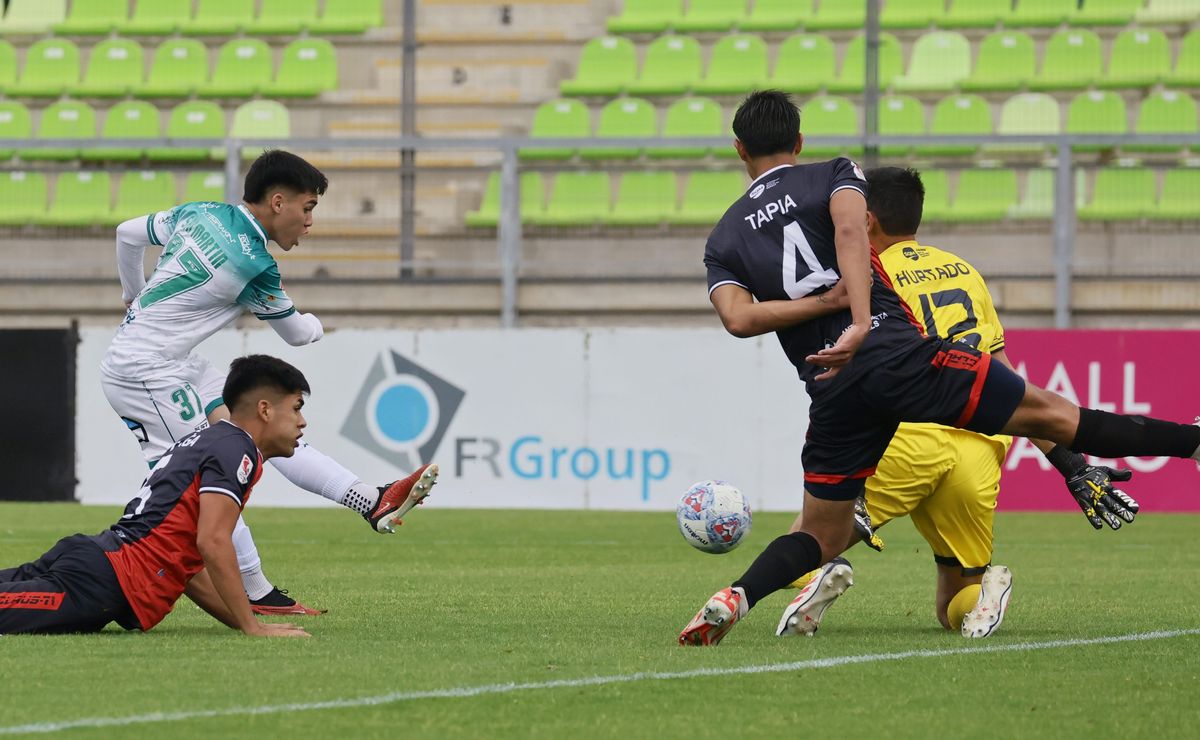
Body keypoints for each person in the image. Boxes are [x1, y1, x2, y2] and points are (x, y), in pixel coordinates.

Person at [680, 90, 1200, 647]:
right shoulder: (835, 173)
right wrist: (854, 313)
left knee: (821, 534)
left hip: (833, 387)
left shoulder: (724, 237)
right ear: (800, 141)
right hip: (902, 361)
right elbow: (853, 234)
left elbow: (737, 318)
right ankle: (1192, 442)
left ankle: (738, 594)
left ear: (739, 149)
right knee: (1055, 415)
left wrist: (821, 311)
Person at [776, 167, 1140, 641]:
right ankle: (986, 593)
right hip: (979, 447)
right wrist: (1071, 463)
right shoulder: (965, 272)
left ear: (865, 221)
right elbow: (1006, 381)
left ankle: (825, 574)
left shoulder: (866, 274)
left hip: (909, 437)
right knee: (954, 602)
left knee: (802, 542)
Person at [100, 150, 438, 616]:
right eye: (308, 208)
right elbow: (299, 335)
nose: (309, 222)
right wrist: (318, 322)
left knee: (266, 428)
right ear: (277, 202)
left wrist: (131, 294)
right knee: (213, 476)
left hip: (171, 361)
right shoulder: (255, 264)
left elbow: (126, 234)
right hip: (145, 373)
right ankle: (255, 592)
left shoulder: (201, 212)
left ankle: (371, 501)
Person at [1, 355, 317, 637]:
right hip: (103, 580)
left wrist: (241, 620)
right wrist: (253, 627)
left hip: (97, 560)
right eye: (296, 408)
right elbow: (213, 542)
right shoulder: (237, 451)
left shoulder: (211, 440)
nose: (302, 421)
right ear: (264, 409)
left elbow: (187, 569)